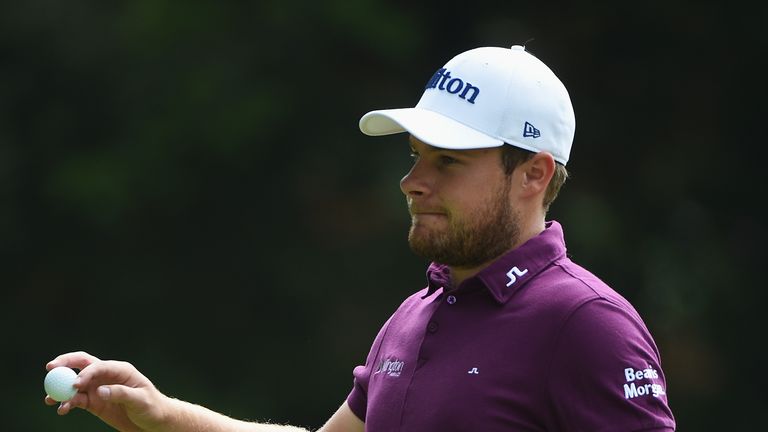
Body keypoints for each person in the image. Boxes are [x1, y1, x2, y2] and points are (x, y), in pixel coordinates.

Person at [45, 45, 676, 431]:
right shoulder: (413, 317)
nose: (412, 182)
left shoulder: (586, 324)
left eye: (448, 162)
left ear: (533, 174)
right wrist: (163, 417)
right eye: (415, 156)